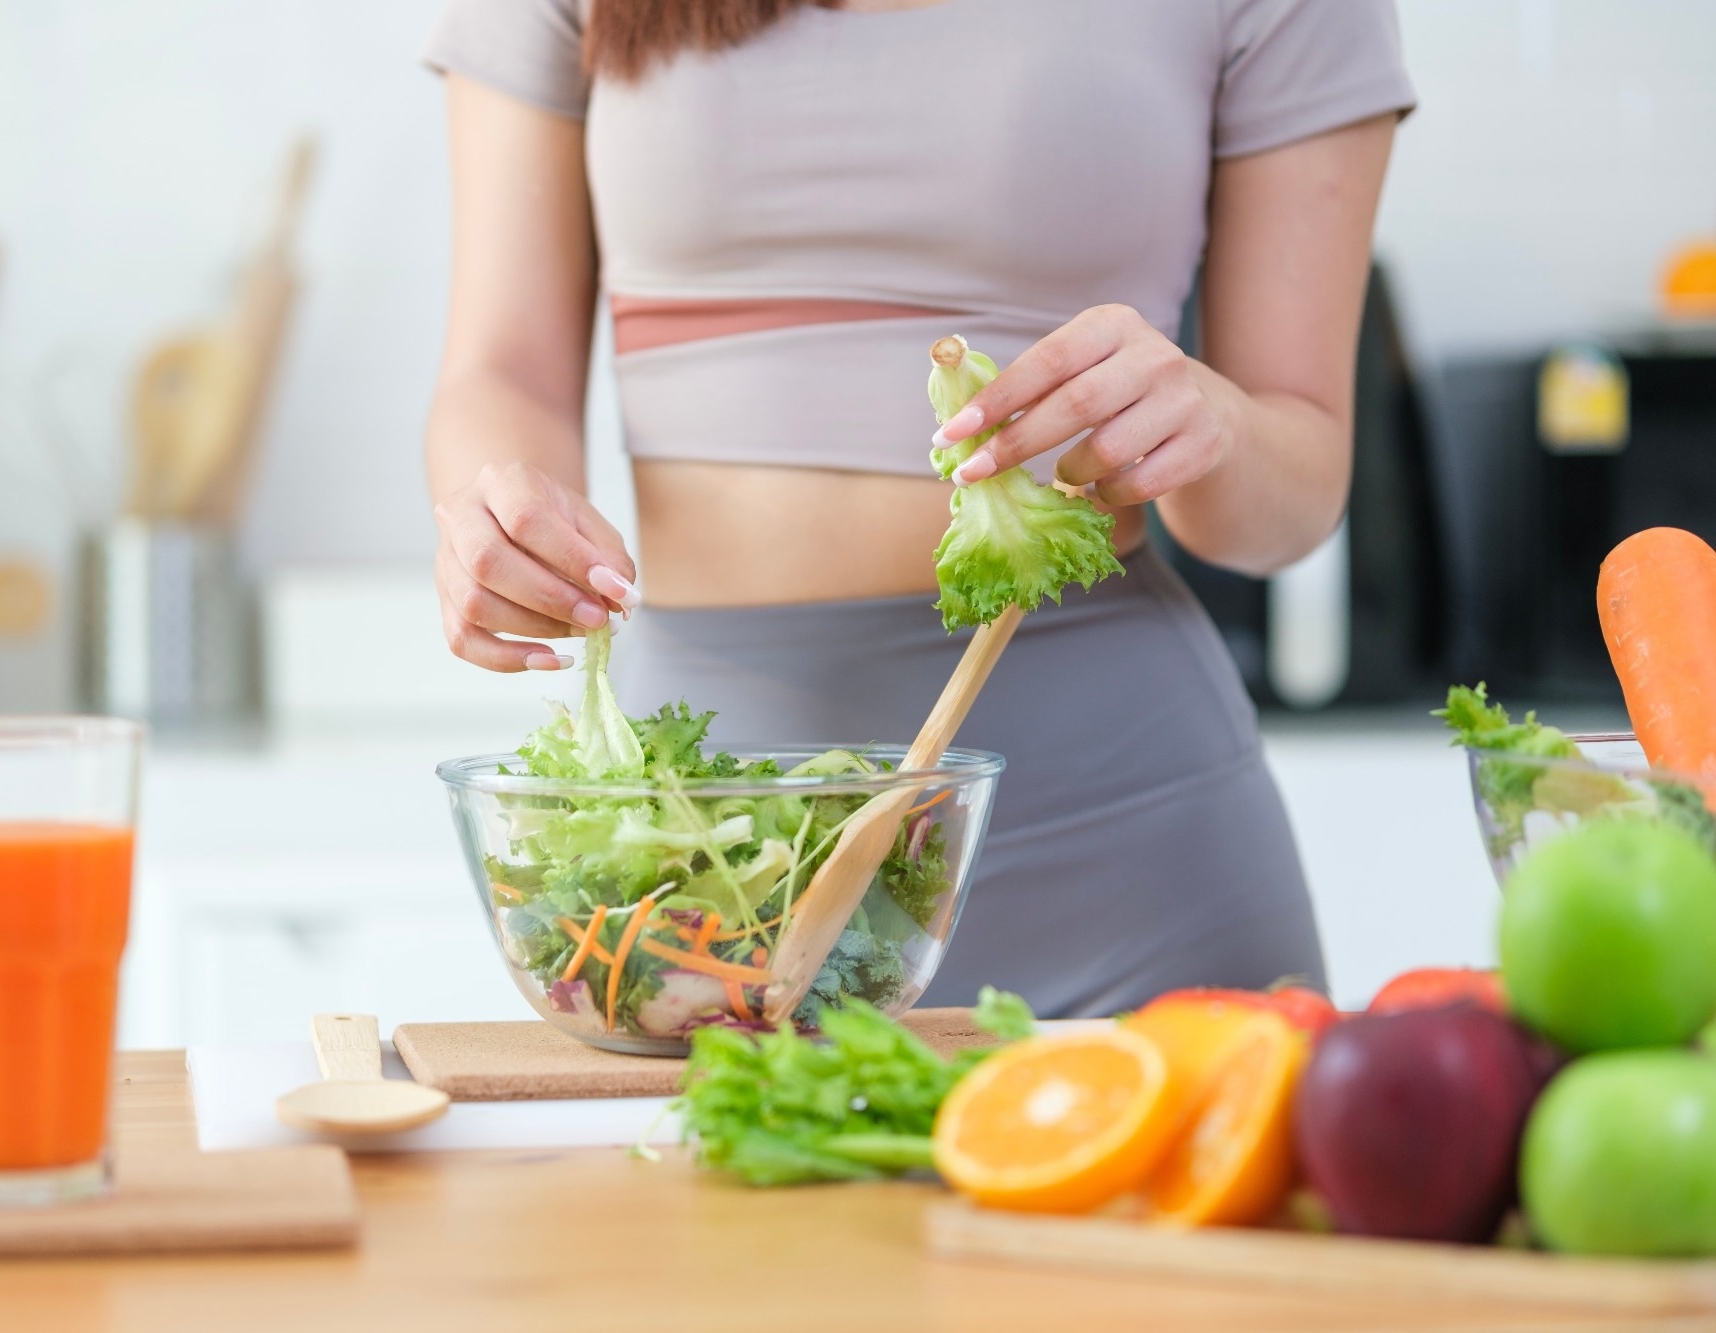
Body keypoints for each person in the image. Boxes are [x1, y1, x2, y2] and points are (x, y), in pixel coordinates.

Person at [421, 0, 1414, 1015]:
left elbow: (1286, 498)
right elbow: (502, 373)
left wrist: (1218, 427)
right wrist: (495, 507)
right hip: (697, 854)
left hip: (1118, 845)